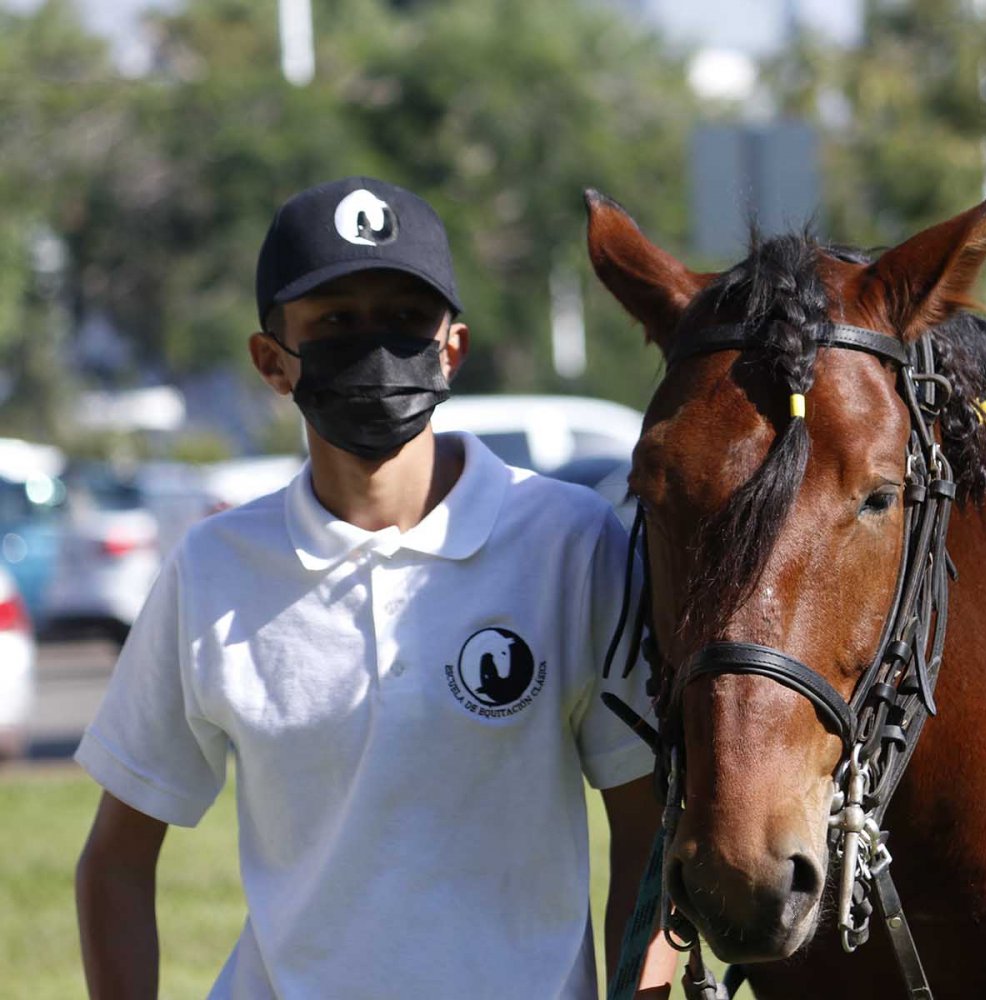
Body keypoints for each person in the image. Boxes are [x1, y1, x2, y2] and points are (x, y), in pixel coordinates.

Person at [74, 176, 675, 999]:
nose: (375, 347)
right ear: (271, 361)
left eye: (403, 318)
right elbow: (114, 862)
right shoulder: (212, 568)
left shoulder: (571, 543)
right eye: (336, 323)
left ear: (452, 348)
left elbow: (648, 838)